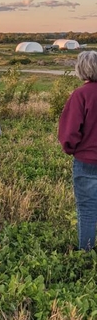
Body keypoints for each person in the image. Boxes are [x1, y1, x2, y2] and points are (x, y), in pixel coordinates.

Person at [58, 50, 97, 250]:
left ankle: (86, 253)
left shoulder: (81, 95)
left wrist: (71, 148)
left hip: (87, 161)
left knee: (88, 210)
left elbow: (69, 131)